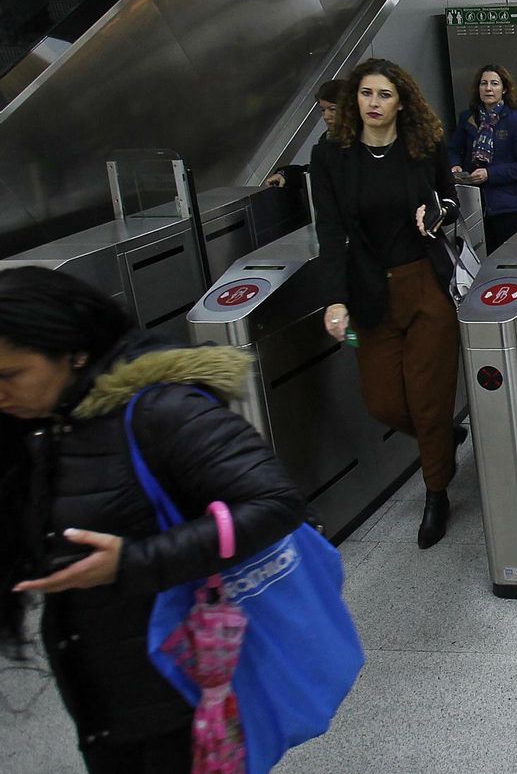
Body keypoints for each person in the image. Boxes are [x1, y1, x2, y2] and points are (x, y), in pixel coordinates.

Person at [0, 266, 305, 772]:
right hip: (103, 697)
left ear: (73, 352)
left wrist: (134, 561)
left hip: (177, 688)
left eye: (10, 376)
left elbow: (275, 502)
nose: (0, 393)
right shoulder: (47, 423)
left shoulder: (162, 410)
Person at [313, 57, 461, 548]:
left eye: (384, 95)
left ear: (402, 102)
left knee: (428, 397)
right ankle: (441, 438)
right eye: (365, 94)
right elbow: (330, 233)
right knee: (383, 403)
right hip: (369, 292)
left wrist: (437, 212)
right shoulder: (331, 156)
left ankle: (436, 491)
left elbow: (450, 199)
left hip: (425, 286)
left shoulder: (424, 144)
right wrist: (335, 299)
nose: (373, 103)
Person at [448, 64, 517, 253]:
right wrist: (455, 166)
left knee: (509, 259)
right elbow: (453, 149)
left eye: (494, 83)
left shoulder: (515, 119)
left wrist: (490, 174)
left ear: (504, 89)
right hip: (473, 205)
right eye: (484, 83)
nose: (488, 88)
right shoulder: (467, 118)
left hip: (508, 207)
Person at [265, 78, 345, 188]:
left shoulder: (363, 142)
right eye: (323, 110)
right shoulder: (327, 139)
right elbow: (315, 173)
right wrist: (285, 175)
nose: (326, 116)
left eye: (332, 109)